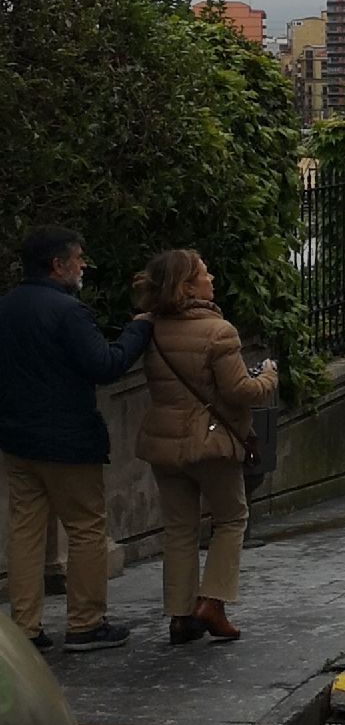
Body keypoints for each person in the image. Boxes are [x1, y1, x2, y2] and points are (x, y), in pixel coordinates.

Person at [0, 226, 155, 651]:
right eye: (78, 258)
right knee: (86, 527)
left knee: (25, 531)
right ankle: (86, 623)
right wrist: (138, 329)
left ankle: (25, 629)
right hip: (67, 440)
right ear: (58, 264)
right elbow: (105, 365)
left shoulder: (6, 307)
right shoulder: (69, 312)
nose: (83, 265)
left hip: (17, 438)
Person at [133, 248, 279, 645]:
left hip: (164, 442)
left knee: (179, 528)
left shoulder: (148, 327)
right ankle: (213, 602)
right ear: (187, 286)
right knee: (231, 518)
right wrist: (268, 376)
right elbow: (240, 390)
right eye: (204, 273)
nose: (211, 279)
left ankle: (180, 616)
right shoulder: (219, 331)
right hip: (210, 442)